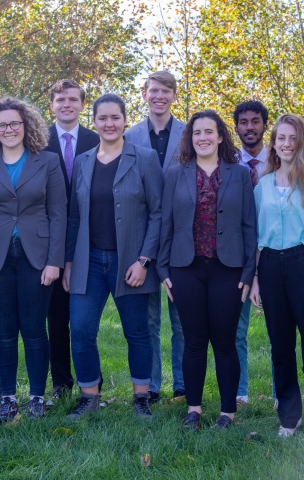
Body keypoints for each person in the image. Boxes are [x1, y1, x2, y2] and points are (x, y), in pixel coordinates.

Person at [0, 97, 67, 422]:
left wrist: (55, 261)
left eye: (15, 124)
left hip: (38, 257)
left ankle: (37, 398)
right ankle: (7, 399)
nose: (9, 129)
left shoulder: (47, 162)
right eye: (2, 125)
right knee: (4, 331)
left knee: (35, 330)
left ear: (27, 126)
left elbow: (59, 214)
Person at [63, 94, 162, 420]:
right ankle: (89, 396)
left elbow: (158, 213)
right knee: (80, 330)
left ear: (124, 119)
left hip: (130, 261)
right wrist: (68, 262)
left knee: (137, 331)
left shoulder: (144, 158)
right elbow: (74, 216)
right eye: (103, 118)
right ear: (94, 121)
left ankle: (141, 398)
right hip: (88, 260)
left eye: (115, 118)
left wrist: (144, 260)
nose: (109, 124)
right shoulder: (83, 161)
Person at [157, 110, 256, 430]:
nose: (203, 137)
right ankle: (194, 410)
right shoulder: (175, 174)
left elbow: (249, 227)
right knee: (194, 340)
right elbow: (165, 223)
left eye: (209, 131)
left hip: (228, 270)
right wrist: (162, 270)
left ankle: (228, 413)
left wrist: (247, 274)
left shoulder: (239, 174)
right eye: (197, 132)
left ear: (220, 136)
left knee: (225, 342)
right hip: (185, 268)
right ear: (190, 138)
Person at [250, 113, 304, 439]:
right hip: (271, 267)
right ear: (273, 144)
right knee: (281, 346)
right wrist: (257, 279)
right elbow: (259, 238)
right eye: (281, 138)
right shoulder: (262, 186)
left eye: (292, 138)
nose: (286, 144)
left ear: (301, 142)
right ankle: (289, 417)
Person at [124, 71, 186, 403]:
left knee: (180, 316)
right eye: (153, 91)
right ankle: (150, 387)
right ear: (144, 95)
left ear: (174, 96)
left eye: (166, 91)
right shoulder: (129, 135)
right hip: (143, 235)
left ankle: (182, 385)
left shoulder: (189, 133)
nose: (159, 96)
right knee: (148, 319)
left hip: (179, 234)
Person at [42, 79, 100, 399]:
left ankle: (93, 383)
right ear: (51, 104)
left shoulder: (95, 140)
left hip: (88, 237)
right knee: (56, 317)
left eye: (73, 99)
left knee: (84, 318)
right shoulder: (38, 140)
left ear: (82, 105)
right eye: (60, 99)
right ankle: (61, 384)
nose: (67, 104)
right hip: (48, 239)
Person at [232, 100, 276, 409]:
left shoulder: (279, 161)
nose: (249, 126)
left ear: (264, 125)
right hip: (236, 255)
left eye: (255, 121)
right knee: (236, 329)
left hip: (274, 252)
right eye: (244, 121)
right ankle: (239, 392)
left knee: (279, 329)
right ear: (235, 127)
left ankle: (280, 392)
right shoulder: (228, 162)